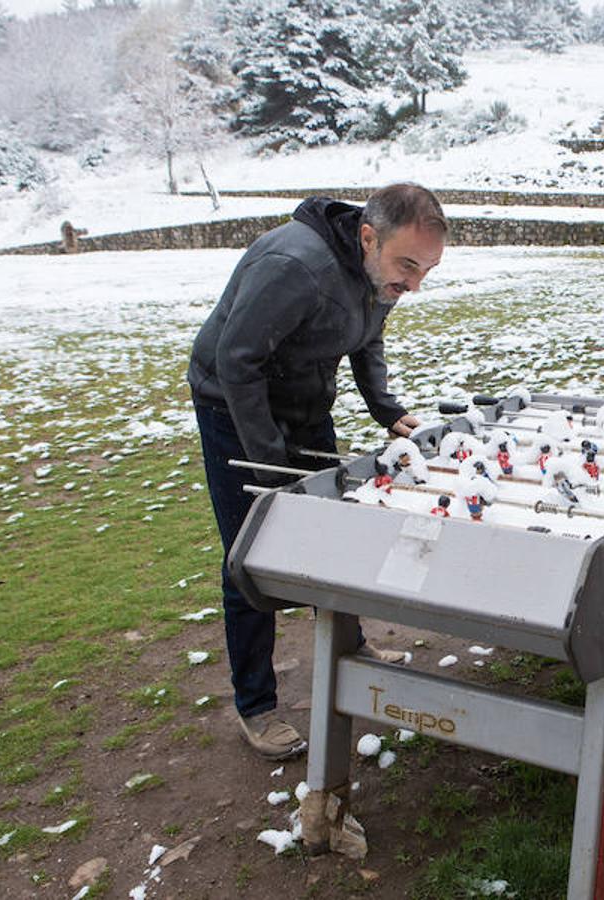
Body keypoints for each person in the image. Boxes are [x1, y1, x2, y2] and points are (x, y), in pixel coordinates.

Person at [189, 183, 447, 760]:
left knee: (329, 532)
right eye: (409, 266)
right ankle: (255, 704)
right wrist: (270, 463)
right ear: (367, 236)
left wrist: (386, 408)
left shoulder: (380, 271)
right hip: (234, 407)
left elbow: (367, 336)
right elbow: (237, 360)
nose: (414, 285)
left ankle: (349, 646)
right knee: (250, 554)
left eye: (427, 270)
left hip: (305, 402)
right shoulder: (293, 265)